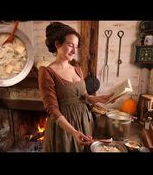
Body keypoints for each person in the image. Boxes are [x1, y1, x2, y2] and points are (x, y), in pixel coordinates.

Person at [38, 22, 113, 152]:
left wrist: (99, 98)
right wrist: (73, 132)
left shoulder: (77, 68)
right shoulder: (47, 72)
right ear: (57, 44)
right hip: (65, 128)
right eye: (70, 45)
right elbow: (52, 109)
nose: (74, 51)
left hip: (85, 122)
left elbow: (84, 98)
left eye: (76, 46)